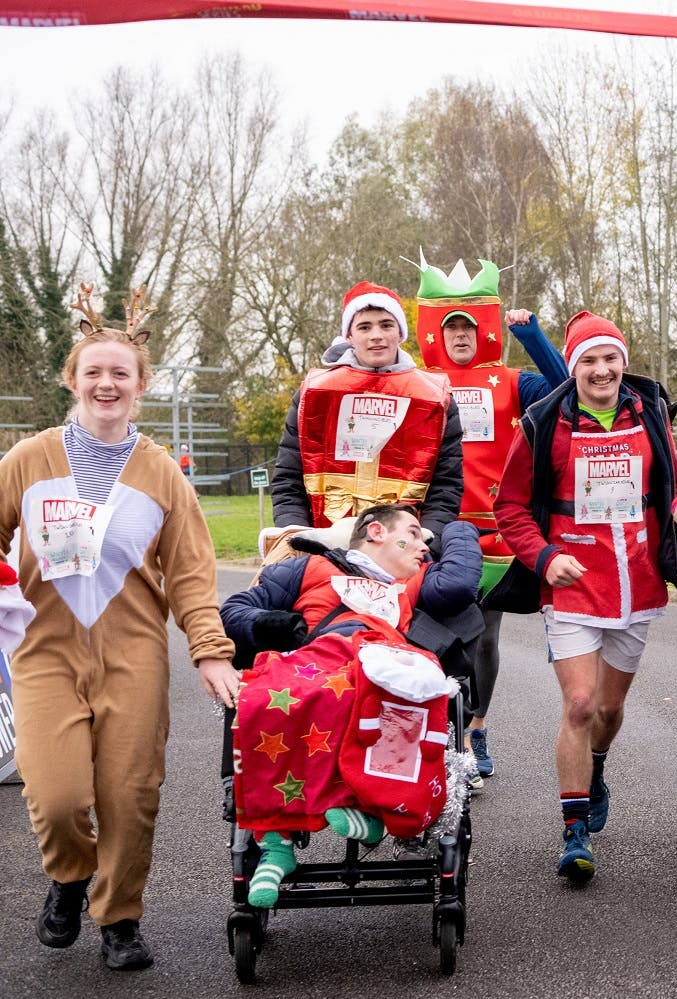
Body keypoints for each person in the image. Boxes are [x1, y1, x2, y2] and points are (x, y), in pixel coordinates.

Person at [0, 285, 239, 970]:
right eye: (93, 372)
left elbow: (192, 575)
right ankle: (70, 877)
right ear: (72, 379)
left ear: (141, 386)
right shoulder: (29, 459)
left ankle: (119, 917)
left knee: (130, 795)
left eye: (121, 373)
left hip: (133, 654)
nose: (106, 383)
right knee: (58, 795)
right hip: (44, 651)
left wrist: (210, 652)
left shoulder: (163, 474)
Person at [492, 311, 677, 883]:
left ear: (624, 363)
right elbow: (509, 508)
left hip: (637, 580)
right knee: (579, 705)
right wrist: (546, 558)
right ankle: (574, 830)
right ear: (573, 365)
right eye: (588, 360)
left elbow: (674, 487)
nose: (600, 370)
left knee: (608, 709)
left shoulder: (649, 413)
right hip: (573, 585)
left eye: (610, 359)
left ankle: (596, 766)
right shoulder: (542, 422)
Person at [219, 504, 482, 905]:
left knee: (395, 692)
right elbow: (233, 611)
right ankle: (279, 838)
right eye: (412, 534)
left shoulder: (411, 581)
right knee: (267, 695)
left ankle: (372, 808)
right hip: (314, 666)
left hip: (377, 675)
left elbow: (460, 584)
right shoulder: (309, 570)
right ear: (376, 531)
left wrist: (459, 525)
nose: (423, 547)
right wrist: (276, 626)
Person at [412, 254, 569, 791]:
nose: (461, 337)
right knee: (430, 635)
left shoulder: (510, 381)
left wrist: (533, 336)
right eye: (451, 328)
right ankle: (445, 737)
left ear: (482, 333)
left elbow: (566, 385)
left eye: (469, 328)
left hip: (496, 531)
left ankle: (476, 727)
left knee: (484, 636)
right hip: (434, 526)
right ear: (438, 333)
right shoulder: (419, 381)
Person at [267, 280, 463, 553]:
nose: (376, 336)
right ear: (349, 336)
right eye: (364, 327)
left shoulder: (435, 398)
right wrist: (297, 539)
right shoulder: (315, 393)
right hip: (324, 547)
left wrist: (425, 543)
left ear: (400, 333)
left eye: (386, 325)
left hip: (406, 552)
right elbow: (289, 476)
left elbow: (446, 485)